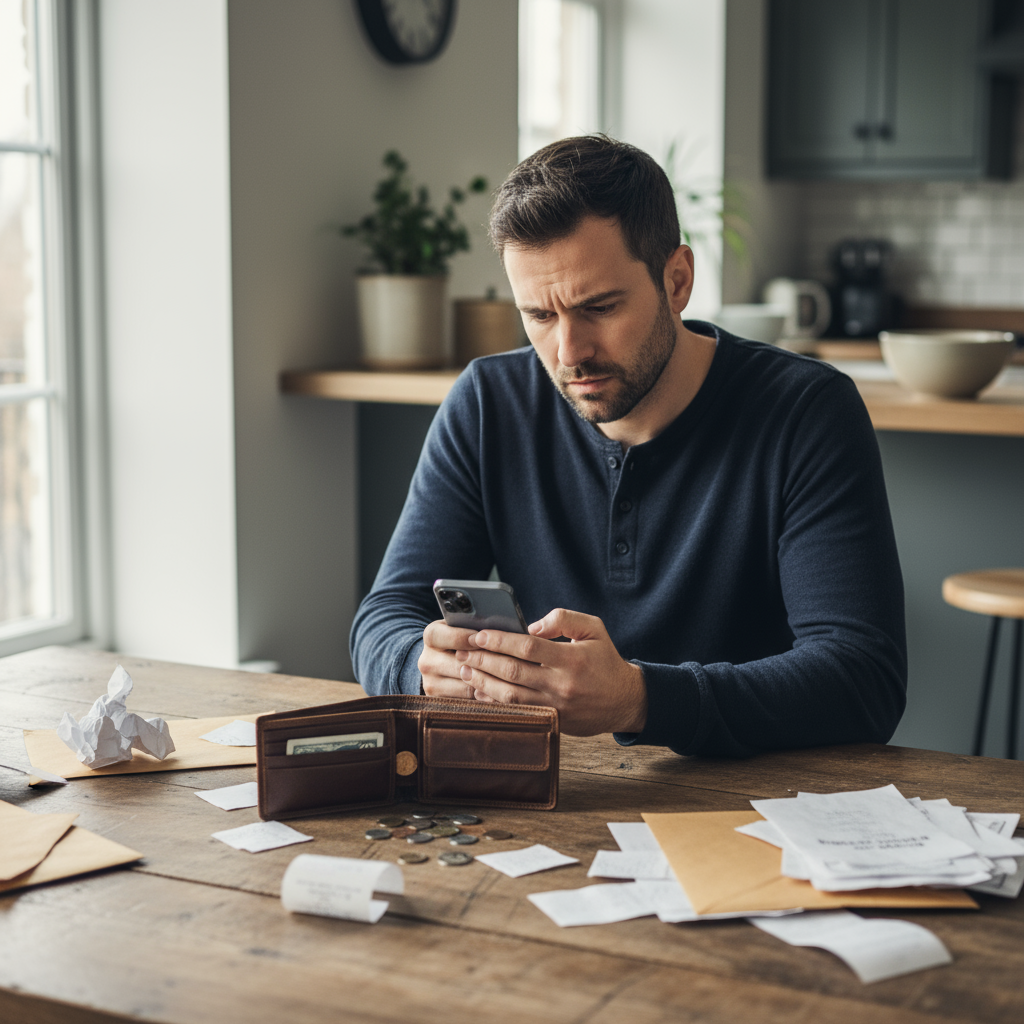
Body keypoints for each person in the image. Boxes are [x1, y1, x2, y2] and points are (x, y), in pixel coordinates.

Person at [349, 135, 906, 757]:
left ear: (677, 280)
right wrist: (419, 667)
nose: (569, 353)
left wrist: (639, 700)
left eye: (599, 307)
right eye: (539, 315)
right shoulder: (487, 402)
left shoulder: (807, 412)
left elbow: (863, 679)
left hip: (753, 806)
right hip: (559, 795)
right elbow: (384, 616)